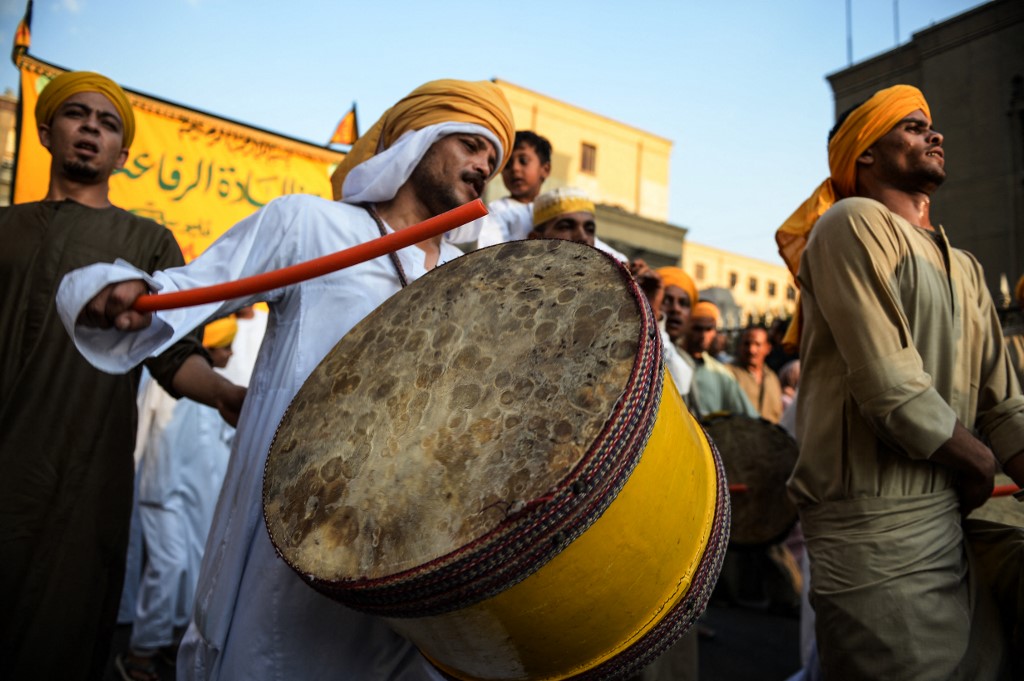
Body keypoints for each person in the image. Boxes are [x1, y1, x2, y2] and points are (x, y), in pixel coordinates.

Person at [56, 78, 514, 681]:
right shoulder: (310, 227)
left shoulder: (469, 280)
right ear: (417, 141)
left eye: (494, 158)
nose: (484, 164)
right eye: (471, 143)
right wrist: (118, 294)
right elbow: (191, 289)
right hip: (289, 553)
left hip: (408, 562)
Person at [0, 71, 244, 681]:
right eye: (77, 115)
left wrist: (225, 395)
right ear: (45, 129)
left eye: (108, 124)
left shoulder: (148, 241)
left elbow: (172, 354)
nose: (90, 129)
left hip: (82, 474)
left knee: (60, 629)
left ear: (123, 154)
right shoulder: (4, 228)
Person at [777, 84, 1024, 679]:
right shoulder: (850, 223)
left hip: (958, 519)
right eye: (912, 128)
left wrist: (989, 460)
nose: (933, 134)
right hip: (875, 533)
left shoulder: (964, 266)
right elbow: (891, 388)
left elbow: (1004, 406)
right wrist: (977, 466)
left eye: (931, 126)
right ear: (864, 152)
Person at [116, 317, 239, 681]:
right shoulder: (169, 381)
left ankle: (171, 641)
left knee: (198, 571)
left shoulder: (223, 390)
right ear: (210, 348)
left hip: (202, 497)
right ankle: (139, 653)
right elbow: (139, 429)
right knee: (168, 567)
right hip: (163, 490)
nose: (231, 353)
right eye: (225, 346)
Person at [682, 301, 758, 418]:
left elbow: (749, 415)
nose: (703, 335)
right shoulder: (671, 362)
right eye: (698, 329)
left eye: (709, 329)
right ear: (687, 327)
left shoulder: (720, 374)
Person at [729, 325, 784, 423]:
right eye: (747, 344)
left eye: (757, 344)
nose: (751, 350)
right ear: (739, 346)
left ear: (768, 348)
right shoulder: (727, 374)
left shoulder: (772, 378)